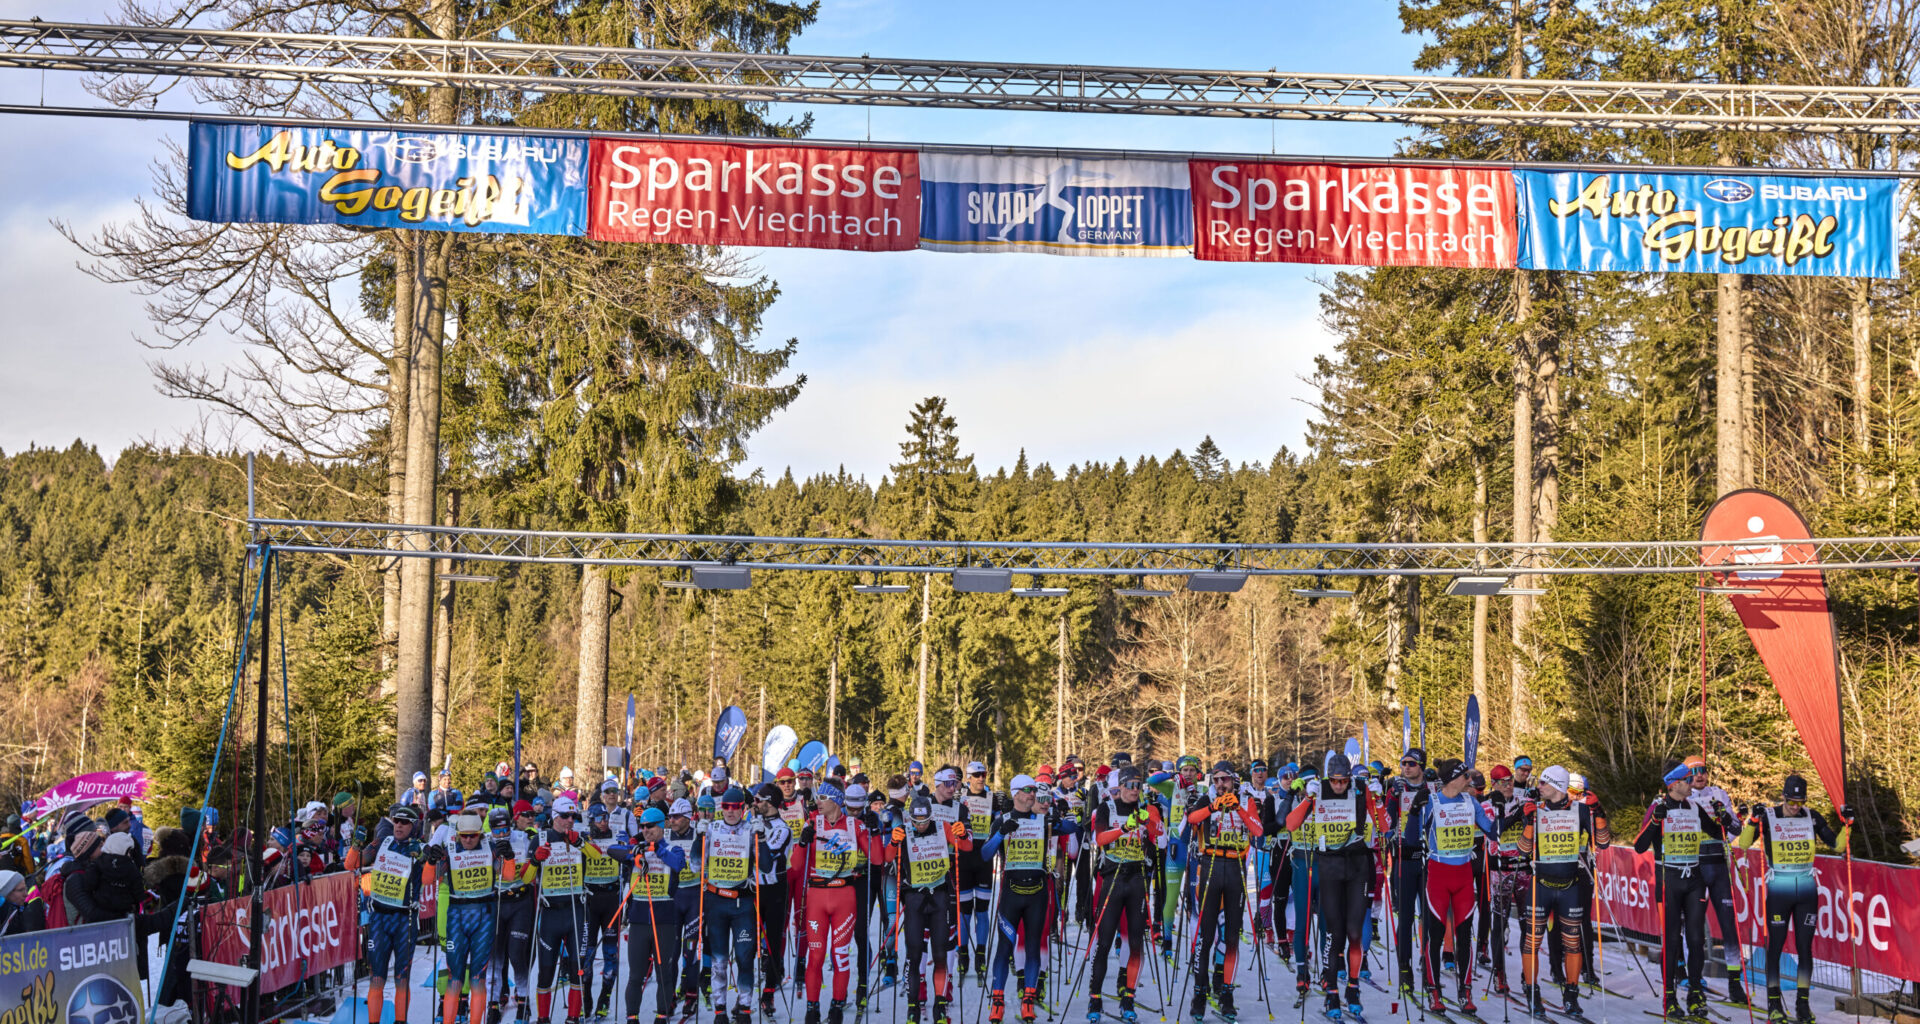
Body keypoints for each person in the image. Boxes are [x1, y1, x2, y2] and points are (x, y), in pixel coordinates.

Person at [1733, 775, 1850, 1024]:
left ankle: (1802, 1005)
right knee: (1775, 947)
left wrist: (1848, 824)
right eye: (1791, 802)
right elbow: (1743, 843)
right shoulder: (1769, 816)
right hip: (1779, 891)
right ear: (1783, 797)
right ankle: (1774, 1004)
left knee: (1805, 949)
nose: (1796, 807)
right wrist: (1753, 820)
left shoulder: (1812, 816)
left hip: (1806, 892)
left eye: (1800, 802)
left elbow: (1837, 846)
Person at [1285, 753, 1390, 1023]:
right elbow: (1291, 824)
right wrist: (1308, 798)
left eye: (1344, 780)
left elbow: (1384, 827)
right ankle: (1331, 990)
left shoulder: (1360, 790)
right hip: (1329, 865)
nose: (1339, 785)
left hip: (1357, 866)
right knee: (1333, 932)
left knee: (1354, 931)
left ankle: (1353, 988)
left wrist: (1378, 800)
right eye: (1335, 780)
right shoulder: (1319, 789)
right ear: (1328, 777)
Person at [1513, 765, 1609, 1020]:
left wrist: (1599, 813)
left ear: (1556, 785)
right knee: (1532, 942)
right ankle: (1532, 993)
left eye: (1543, 783)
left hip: (1570, 886)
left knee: (1572, 943)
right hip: (1541, 885)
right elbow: (1523, 850)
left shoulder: (1580, 810)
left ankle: (1571, 995)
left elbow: (1603, 842)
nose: (1539, 787)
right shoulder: (1537, 809)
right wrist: (1529, 822)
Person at [981, 774, 1079, 1024]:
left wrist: (1061, 817)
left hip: (1037, 893)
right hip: (1011, 893)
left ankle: (1028, 1000)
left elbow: (1073, 828)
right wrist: (1000, 834)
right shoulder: (1003, 819)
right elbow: (985, 854)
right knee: (1004, 948)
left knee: (1034, 947)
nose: (1033, 794)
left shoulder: (1043, 820)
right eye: (1028, 790)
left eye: (1034, 790)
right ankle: (997, 1002)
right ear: (1016, 793)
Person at [1634, 763, 1725, 1021]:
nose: (1693, 782)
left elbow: (1717, 833)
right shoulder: (1658, 806)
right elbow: (1639, 846)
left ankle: (1695, 994)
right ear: (1674, 784)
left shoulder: (1694, 807)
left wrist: (1724, 817)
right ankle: (1670, 998)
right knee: (1672, 940)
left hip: (1694, 879)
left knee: (1696, 940)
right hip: (1669, 880)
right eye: (1688, 779)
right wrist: (1655, 820)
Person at [1414, 759, 1498, 1018]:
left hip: (1463, 876)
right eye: (1466, 777)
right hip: (1439, 875)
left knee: (1464, 936)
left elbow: (1493, 832)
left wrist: (1506, 814)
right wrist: (1415, 809)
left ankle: (1465, 991)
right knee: (1436, 936)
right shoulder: (1432, 802)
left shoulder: (1471, 802)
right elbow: (1412, 835)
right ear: (1453, 779)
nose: (1470, 781)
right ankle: (1433, 990)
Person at [1183, 762, 1264, 1024]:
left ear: (1233, 781)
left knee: (1231, 937)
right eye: (1216, 779)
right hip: (1210, 866)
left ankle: (1226, 992)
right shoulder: (1207, 799)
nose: (1220, 784)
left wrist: (1238, 808)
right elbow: (1191, 820)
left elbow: (1258, 830)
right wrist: (1212, 808)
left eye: (1225, 780)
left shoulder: (1246, 800)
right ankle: (1200, 993)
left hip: (1235, 868)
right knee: (1206, 935)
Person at [1088, 766, 1160, 1024]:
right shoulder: (1107, 807)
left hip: (1137, 880)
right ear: (1120, 786)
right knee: (1105, 941)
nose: (1134, 790)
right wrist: (1125, 828)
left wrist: (1150, 822)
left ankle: (1128, 998)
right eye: (1130, 784)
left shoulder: (1145, 809)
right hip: (1113, 879)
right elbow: (1100, 839)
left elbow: (1161, 839)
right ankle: (1095, 997)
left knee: (1135, 942)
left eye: (1139, 785)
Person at [800, 783, 870, 1024]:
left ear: (837, 800)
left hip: (844, 897)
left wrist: (873, 833)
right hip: (817, 898)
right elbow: (797, 865)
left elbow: (877, 859)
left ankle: (837, 1007)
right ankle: (812, 1009)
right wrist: (802, 843)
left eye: (823, 797)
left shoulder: (854, 825)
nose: (818, 801)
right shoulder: (812, 822)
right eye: (817, 797)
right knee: (816, 957)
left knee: (840, 956)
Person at [351, 804, 428, 1024]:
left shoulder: (421, 847)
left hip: (405, 920)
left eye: (405, 822)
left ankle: (400, 1021)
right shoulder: (382, 842)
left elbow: (432, 878)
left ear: (414, 827)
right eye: (396, 821)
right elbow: (351, 864)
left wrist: (424, 858)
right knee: (377, 977)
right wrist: (356, 845)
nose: (399, 826)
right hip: (379, 919)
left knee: (402, 977)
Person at [896, 793, 968, 1024]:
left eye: (925, 821)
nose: (921, 825)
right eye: (916, 822)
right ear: (910, 819)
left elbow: (966, 846)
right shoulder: (904, 830)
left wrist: (962, 833)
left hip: (939, 897)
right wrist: (893, 841)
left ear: (931, 816)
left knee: (939, 954)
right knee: (914, 954)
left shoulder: (941, 827)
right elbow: (884, 857)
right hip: (915, 899)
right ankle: (913, 1007)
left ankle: (940, 1005)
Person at [431, 811, 509, 1024]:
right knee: (455, 975)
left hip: (484, 918)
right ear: (457, 835)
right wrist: (430, 860)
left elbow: (507, 875)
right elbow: (430, 877)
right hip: (457, 917)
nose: (467, 840)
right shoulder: (450, 850)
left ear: (480, 834)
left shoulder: (490, 848)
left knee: (477, 977)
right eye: (463, 835)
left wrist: (508, 857)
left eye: (472, 835)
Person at [1682, 756, 1747, 1005]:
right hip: (1695, 867)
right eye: (1694, 772)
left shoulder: (1718, 794)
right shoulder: (1682, 797)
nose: (1700, 775)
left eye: (1703, 770)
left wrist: (1726, 820)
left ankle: (1735, 983)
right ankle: (1693, 979)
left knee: (1729, 926)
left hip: (1718, 866)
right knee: (1694, 928)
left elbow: (1736, 829)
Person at [623, 807, 689, 1024]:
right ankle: (632, 1017)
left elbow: (678, 863)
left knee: (663, 973)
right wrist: (633, 850)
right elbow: (614, 851)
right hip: (639, 921)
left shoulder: (673, 848)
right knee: (636, 975)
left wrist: (656, 848)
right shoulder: (638, 849)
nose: (645, 830)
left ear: (662, 826)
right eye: (642, 826)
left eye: (650, 826)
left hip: (664, 921)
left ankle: (662, 1016)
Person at [700, 786, 760, 1024]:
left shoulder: (750, 830)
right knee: (719, 962)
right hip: (716, 902)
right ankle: (720, 1011)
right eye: (726, 807)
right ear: (721, 808)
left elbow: (766, 866)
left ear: (742, 808)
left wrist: (762, 838)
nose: (731, 811)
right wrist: (699, 838)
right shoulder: (712, 829)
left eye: (735, 807)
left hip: (742, 904)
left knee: (745, 958)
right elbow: (695, 864)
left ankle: (744, 1009)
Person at [530, 796, 592, 1024]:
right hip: (550, 914)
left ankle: (573, 1018)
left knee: (577, 969)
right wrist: (535, 860)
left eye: (574, 816)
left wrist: (581, 844)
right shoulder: (540, 838)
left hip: (576, 911)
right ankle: (543, 1019)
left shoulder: (579, 837)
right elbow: (526, 878)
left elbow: (597, 856)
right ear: (555, 816)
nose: (570, 820)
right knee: (546, 972)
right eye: (565, 816)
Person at [1384, 747, 1429, 999]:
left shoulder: (1432, 786)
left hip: (1428, 858)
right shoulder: (1397, 788)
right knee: (1406, 918)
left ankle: (1428, 961)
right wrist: (1392, 797)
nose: (1406, 767)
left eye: (1412, 763)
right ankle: (1405, 969)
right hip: (1404, 858)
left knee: (1430, 918)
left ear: (1421, 766)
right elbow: (1386, 823)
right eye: (1404, 763)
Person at [751, 783, 796, 1015]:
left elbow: (768, 857)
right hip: (753, 888)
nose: (755, 804)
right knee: (748, 940)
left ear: (769, 802)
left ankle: (769, 992)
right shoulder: (751, 821)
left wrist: (759, 835)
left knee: (772, 941)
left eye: (758, 800)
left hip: (774, 889)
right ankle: (745, 993)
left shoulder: (782, 828)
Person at [0, 869, 46, 934]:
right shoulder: (9, 915)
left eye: (26, 888)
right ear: (6, 893)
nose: (26, 894)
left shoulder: (19, 910)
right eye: (21, 890)